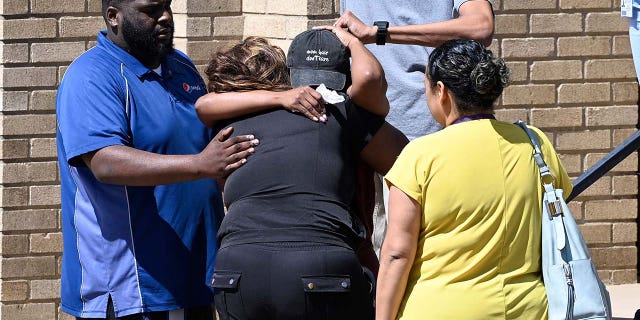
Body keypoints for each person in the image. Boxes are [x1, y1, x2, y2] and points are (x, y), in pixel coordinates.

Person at [56, 0, 258, 319]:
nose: (164, 16)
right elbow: (105, 163)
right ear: (114, 17)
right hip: (134, 288)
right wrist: (201, 165)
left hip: (196, 275)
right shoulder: (91, 76)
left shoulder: (180, 66)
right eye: (150, 10)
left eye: (166, 6)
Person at [195, 30, 407, 320]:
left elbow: (203, 105)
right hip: (321, 268)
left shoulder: (232, 120)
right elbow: (408, 162)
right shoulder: (339, 110)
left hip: (237, 272)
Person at [376, 39, 573, 320]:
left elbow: (397, 254)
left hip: (439, 309)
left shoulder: (419, 156)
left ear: (442, 91)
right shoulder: (535, 143)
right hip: (529, 308)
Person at [335, 0, 495, 255]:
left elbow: (480, 26)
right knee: (370, 252)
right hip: (359, 130)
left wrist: (380, 33)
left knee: (415, 252)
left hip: (421, 133)